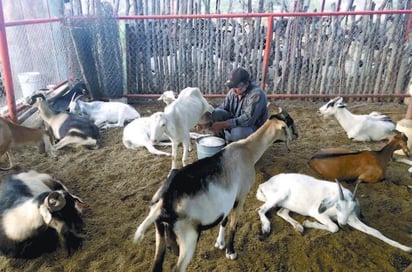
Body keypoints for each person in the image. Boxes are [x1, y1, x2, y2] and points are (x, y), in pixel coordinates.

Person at [210, 67, 268, 142]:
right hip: (236, 123)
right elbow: (223, 108)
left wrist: (224, 124)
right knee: (216, 113)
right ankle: (220, 142)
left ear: (246, 84)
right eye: (231, 86)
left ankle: (238, 145)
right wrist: (209, 119)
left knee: (238, 133)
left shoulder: (256, 94)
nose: (233, 90)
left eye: (236, 87)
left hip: (254, 127)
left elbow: (248, 120)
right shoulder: (233, 92)